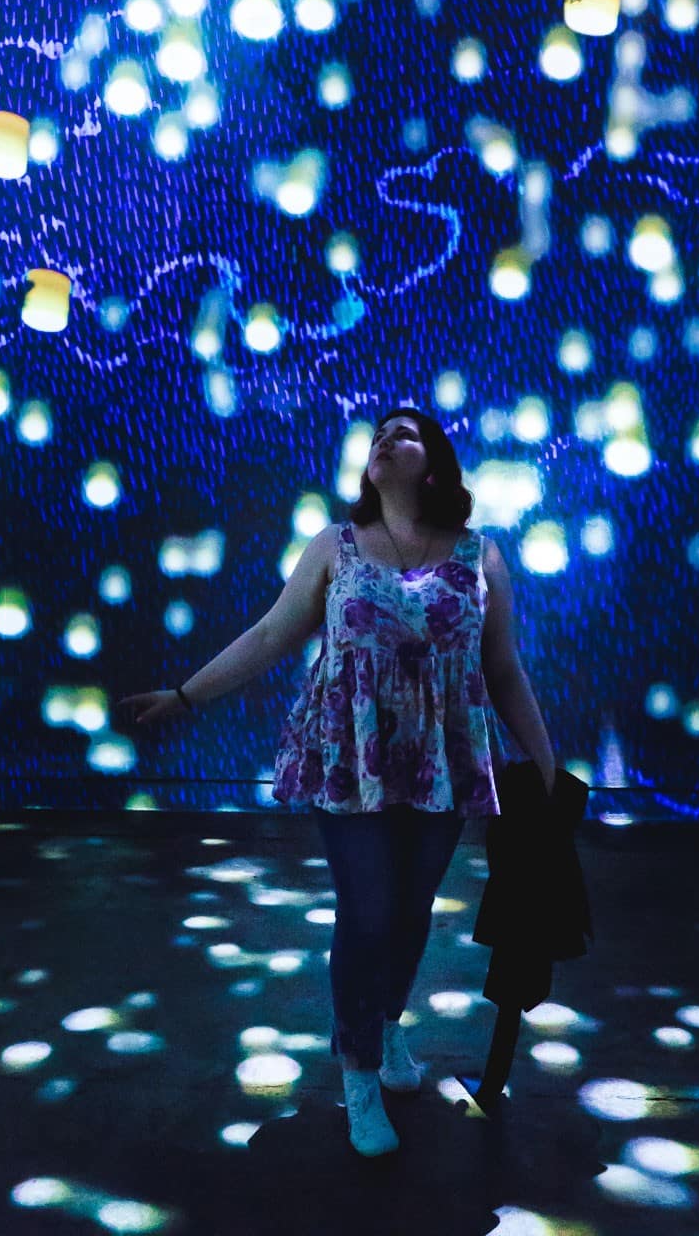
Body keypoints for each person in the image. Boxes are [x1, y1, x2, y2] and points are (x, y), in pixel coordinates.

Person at [116, 405, 556, 1155]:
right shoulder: (336, 546)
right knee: (368, 909)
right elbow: (266, 636)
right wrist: (184, 695)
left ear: (436, 462)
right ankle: (356, 1072)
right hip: (351, 755)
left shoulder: (481, 554)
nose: (385, 439)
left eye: (404, 433)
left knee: (412, 911)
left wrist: (544, 764)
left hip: (442, 757)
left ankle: (385, 1025)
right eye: (378, 434)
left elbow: (502, 668)